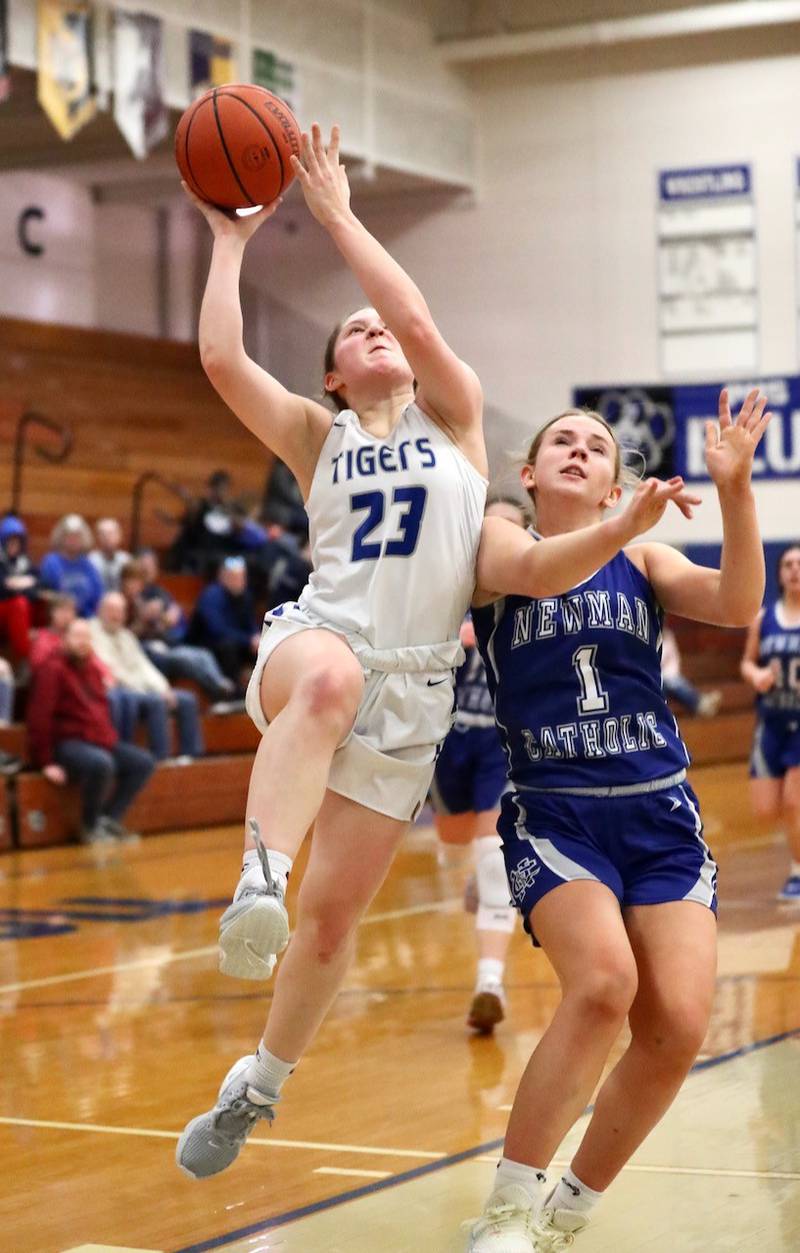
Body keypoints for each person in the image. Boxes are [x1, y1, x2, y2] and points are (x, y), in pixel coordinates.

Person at [173, 122, 697, 1184]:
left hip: (414, 690)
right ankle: (255, 877)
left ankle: (258, 1086)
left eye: (386, 327)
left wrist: (337, 218)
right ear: (329, 373)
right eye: (353, 331)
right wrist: (231, 239)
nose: (378, 331)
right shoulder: (319, 437)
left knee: (329, 929)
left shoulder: (455, 426)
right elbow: (224, 358)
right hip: (323, 637)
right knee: (323, 681)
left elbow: (412, 311)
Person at [463, 389, 770, 1252]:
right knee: (602, 985)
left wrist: (737, 492)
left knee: (676, 1024)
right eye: (559, 440)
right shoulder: (498, 545)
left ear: (612, 483)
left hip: (660, 815)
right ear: (529, 474)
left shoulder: (647, 563)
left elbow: (739, 600)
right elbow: (536, 567)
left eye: (595, 445)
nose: (576, 449)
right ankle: (507, 1207)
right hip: (558, 812)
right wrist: (620, 523)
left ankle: (568, 1212)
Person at [430, 499, 529, 1035]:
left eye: (512, 527)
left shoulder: (537, 586)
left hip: (502, 741)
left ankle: (489, 982)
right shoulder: (445, 583)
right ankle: (474, 875)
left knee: (494, 863)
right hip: (446, 739)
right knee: (456, 848)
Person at [27, 617, 155, 844]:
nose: (83, 642)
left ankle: (109, 819)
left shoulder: (92, 669)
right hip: (67, 743)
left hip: (98, 740)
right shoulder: (52, 669)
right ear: (64, 639)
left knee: (142, 762)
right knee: (101, 763)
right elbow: (40, 717)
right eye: (77, 636)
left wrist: (108, 738)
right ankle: (89, 825)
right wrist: (45, 761)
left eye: (87, 637)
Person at [741, 543, 800, 902]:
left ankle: (797, 871)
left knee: (795, 800)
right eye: (789, 564)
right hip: (771, 722)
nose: (795, 569)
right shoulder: (765, 618)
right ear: (779, 574)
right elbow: (748, 663)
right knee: (766, 810)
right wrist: (757, 676)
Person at [89, 591, 204, 763]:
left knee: (187, 699)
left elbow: (145, 666)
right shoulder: (91, 633)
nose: (116, 616)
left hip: (144, 689)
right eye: (112, 610)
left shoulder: (126, 635)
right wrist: (151, 691)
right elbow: (112, 671)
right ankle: (161, 759)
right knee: (157, 701)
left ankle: (191, 757)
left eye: (120, 611)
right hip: (122, 690)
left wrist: (163, 687)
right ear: (100, 610)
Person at [120, 559, 237, 705]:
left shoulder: (145, 598)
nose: (134, 585)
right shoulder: (120, 603)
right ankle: (217, 691)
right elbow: (123, 637)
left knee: (202, 654)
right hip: (143, 651)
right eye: (130, 581)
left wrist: (162, 618)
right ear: (123, 582)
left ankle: (220, 681)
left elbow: (166, 622)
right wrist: (143, 621)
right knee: (184, 659)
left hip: (163, 643)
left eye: (137, 581)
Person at [186, 556, 259, 690]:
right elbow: (217, 630)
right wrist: (248, 640)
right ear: (222, 576)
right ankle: (232, 693)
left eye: (241, 577)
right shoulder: (211, 596)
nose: (238, 582)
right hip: (207, 644)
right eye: (233, 577)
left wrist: (255, 637)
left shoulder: (245, 596)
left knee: (263, 647)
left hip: (237, 642)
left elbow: (251, 623)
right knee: (228, 647)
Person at [40, 514, 105, 618]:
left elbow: (98, 598)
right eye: (69, 536)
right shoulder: (51, 562)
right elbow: (45, 594)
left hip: (86, 619)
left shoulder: (89, 565)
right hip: (59, 617)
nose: (73, 540)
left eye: (77, 537)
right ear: (61, 537)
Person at [0, 515, 43, 661]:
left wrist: (14, 585)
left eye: (17, 542)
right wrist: (21, 585)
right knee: (19, 604)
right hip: (4, 612)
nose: (14, 545)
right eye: (10, 541)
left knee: (36, 603)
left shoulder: (25, 561)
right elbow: (3, 589)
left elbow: (38, 586)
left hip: (20, 614)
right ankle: (25, 658)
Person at [660, 623, 721, 717]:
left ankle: (700, 704)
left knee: (673, 682)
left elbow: (674, 658)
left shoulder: (668, 634)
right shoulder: (648, 637)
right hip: (656, 678)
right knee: (668, 683)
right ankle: (699, 704)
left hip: (670, 676)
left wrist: (672, 674)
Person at [88, 518, 132, 591]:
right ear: (97, 537)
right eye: (103, 534)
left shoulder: (127, 560)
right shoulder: (90, 561)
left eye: (111, 533)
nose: (107, 537)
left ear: (119, 536)